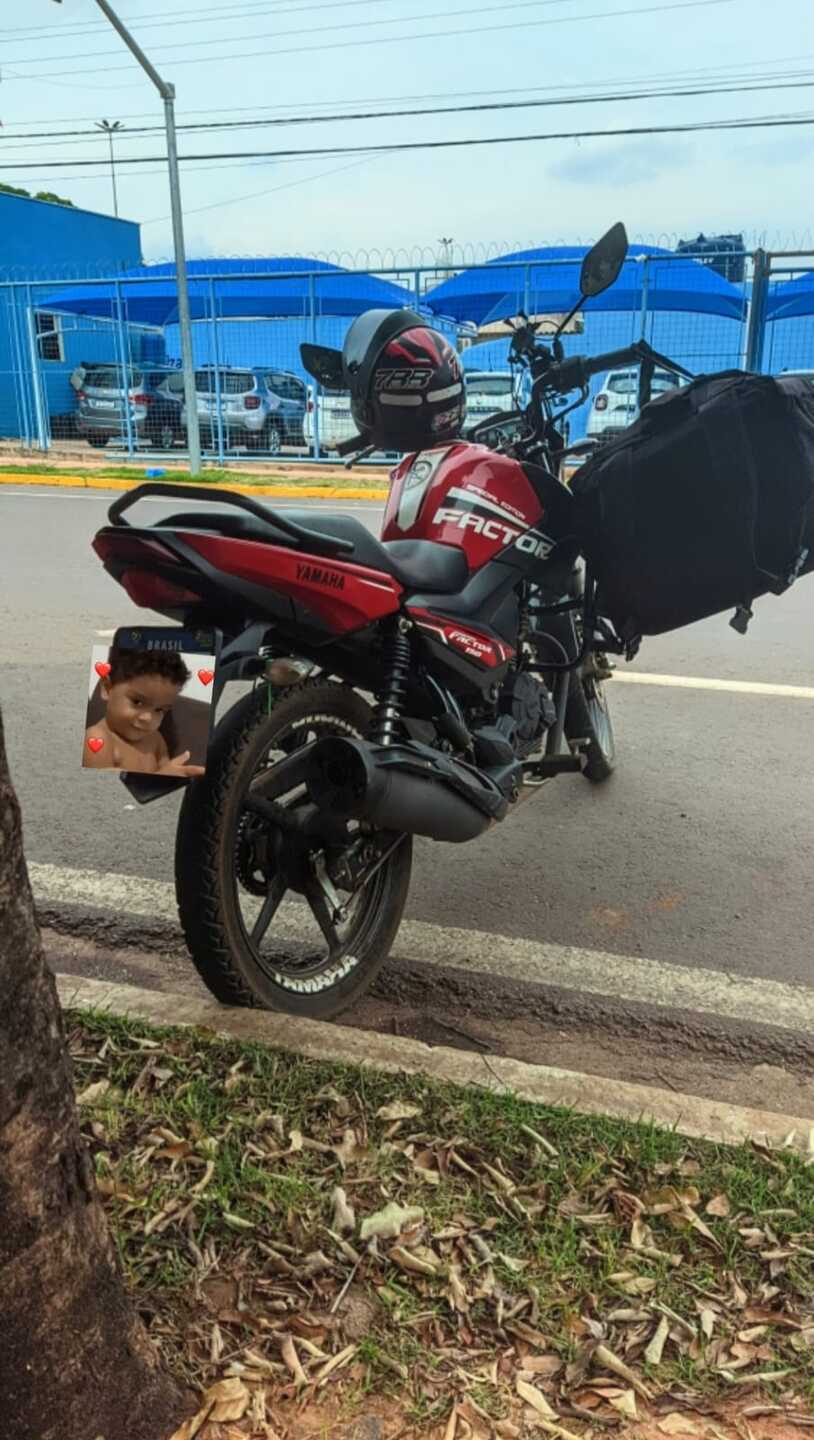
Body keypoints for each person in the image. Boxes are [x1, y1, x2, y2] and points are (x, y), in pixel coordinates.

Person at [83, 647, 205, 776]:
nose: (148, 718)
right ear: (107, 688)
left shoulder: (156, 740)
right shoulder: (99, 739)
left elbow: (166, 771)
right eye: (137, 702)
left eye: (159, 709)